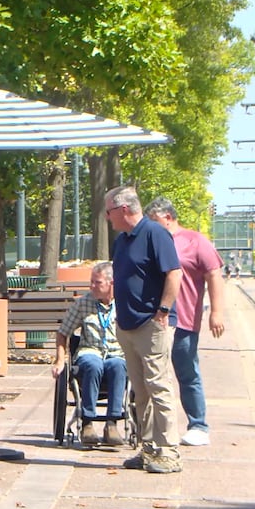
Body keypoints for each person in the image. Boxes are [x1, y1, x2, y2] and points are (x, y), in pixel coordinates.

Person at [104, 186, 183, 474]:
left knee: (159, 387)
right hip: (127, 325)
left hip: (151, 324)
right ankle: (148, 448)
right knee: (141, 391)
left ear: (123, 209)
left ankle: (169, 451)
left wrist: (163, 310)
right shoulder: (122, 240)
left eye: (108, 211)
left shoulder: (155, 233)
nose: (106, 217)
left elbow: (174, 272)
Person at [144, 197, 225, 447]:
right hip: (154, 320)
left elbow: (213, 274)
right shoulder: (150, 240)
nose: (151, 226)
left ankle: (198, 425)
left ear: (168, 217)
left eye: (155, 221)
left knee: (187, 372)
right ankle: (154, 429)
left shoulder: (195, 241)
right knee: (153, 376)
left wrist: (216, 312)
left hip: (185, 319)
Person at [53, 262, 128, 446]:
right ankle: (87, 421)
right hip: (90, 351)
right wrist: (60, 360)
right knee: (93, 364)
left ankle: (112, 423)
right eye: (91, 282)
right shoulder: (83, 303)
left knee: (118, 365)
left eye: (97, 282)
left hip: (116, 352)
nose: (92, 286)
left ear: (112, 283)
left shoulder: (124, 304)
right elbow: (63, 333)